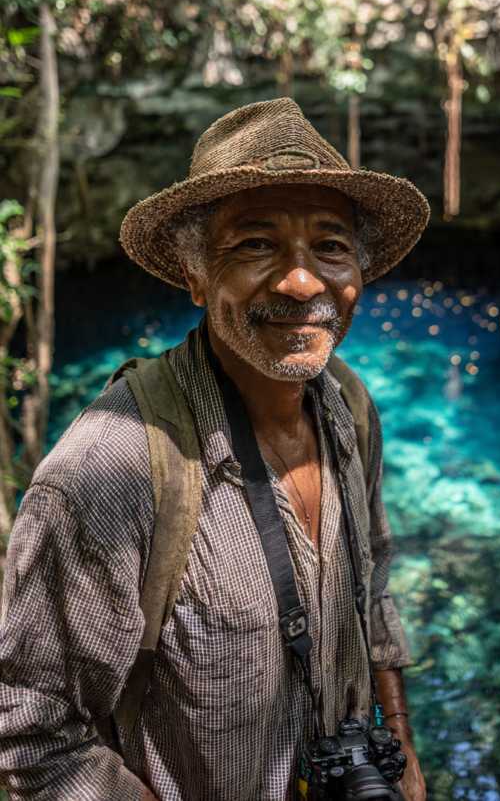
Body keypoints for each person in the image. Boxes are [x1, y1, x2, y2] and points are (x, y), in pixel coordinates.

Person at [0, 97, 430, 801]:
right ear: (195, 273)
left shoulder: (347, 405)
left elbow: (373, 579)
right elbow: (30, 725)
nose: (301, 281)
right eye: (256, 244)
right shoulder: (111, 471)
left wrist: (401, 744)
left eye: (330, 244)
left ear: (359, 270)